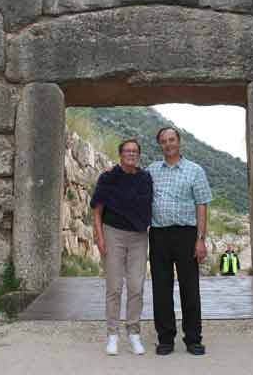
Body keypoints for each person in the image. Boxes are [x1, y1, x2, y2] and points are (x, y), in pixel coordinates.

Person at [147, 126, 212, 356]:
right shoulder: (152, 170)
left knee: (190, 288)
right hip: (159, 235)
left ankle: (193, 339)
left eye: (172, 139)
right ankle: (165, 339)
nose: (168, 144)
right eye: (163, 141)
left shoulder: (195, 171)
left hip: (186, 235)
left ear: (179, 142)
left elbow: (201, 204)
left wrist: (200, 239)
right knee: (161, 289)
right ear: (160, 145)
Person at [90, 138, 153, 356]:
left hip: (139, 236)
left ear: (139, 155)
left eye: (135, 151)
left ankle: (134, 333)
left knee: (136, 287)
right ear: (120, 154)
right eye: (127, 151)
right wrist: (99, 236)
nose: (131, 154)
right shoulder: (108, 177)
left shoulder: (145, 178)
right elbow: (97, 209)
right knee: (114, 287)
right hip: (113, 233)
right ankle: (112, 335)